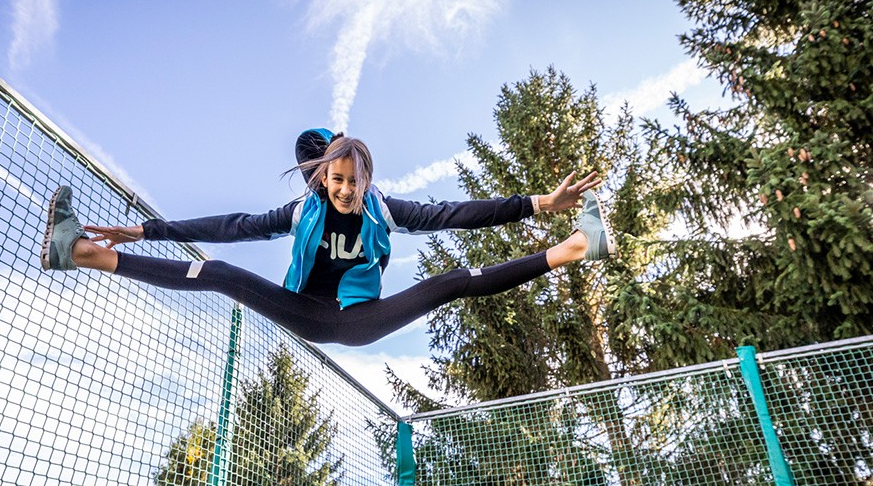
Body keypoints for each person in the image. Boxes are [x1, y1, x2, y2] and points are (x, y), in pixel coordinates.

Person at [41, 131, 614, 346]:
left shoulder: (385, 210)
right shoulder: (301, 211)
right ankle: (84, 252)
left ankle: (572, 247)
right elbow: (228, 225)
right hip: (307, 315)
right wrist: (147, 229)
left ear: (366, 179)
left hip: (362, 320)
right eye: (334, 181)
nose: (343, 192)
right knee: (218, 272)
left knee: (451, 282)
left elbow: (456, 213)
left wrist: (539, 203)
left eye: (351, 182)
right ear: (322, 179)